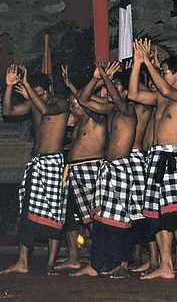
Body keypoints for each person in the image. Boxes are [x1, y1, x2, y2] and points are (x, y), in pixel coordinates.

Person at [128, 39, 177, 281]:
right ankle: (166, 264)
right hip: (155, 157)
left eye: (164, 71)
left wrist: (148, 60)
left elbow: (168, 90)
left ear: (176, 74)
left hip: (174, 157)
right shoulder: (160, 98)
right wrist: (138, 63)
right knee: (156, 214)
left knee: (176, 214)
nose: (160, 74)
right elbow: (134, 93)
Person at [0, 65, 69, 275]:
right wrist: (10, 87)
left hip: (53, 162)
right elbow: (8, 111)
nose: (36, 97)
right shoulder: (32, 103)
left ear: (49, 90)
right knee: (26, 212)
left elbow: (46, 110)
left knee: (54, 212)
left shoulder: (61, 103)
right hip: (36, 162)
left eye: (40, 93)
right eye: (34, 93)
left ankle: (50, 262)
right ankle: (22, 261)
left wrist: (28, 86)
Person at [72, 60, 138, 279]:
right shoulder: (110, 110)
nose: (110, 91)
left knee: (120, 220)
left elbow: (119, 99)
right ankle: (95, 264)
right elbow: (82, 99)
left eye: (117, 86)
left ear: (126, 92)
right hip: (106, 168)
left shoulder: (128, 110)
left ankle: (123, 265)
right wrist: (96, 78)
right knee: (100, 219)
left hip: (121, 168)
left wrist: (106, 77)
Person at [56, 75, 109, 271]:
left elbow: (86, 101)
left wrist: (73, 84)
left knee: (92, 218)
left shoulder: (98, 118)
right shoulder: (76, 120)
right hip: (72, 172)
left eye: (74, 104)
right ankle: (74, 257)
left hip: (90, 169)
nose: (72, 107)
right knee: (67, 214)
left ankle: (97, 261)